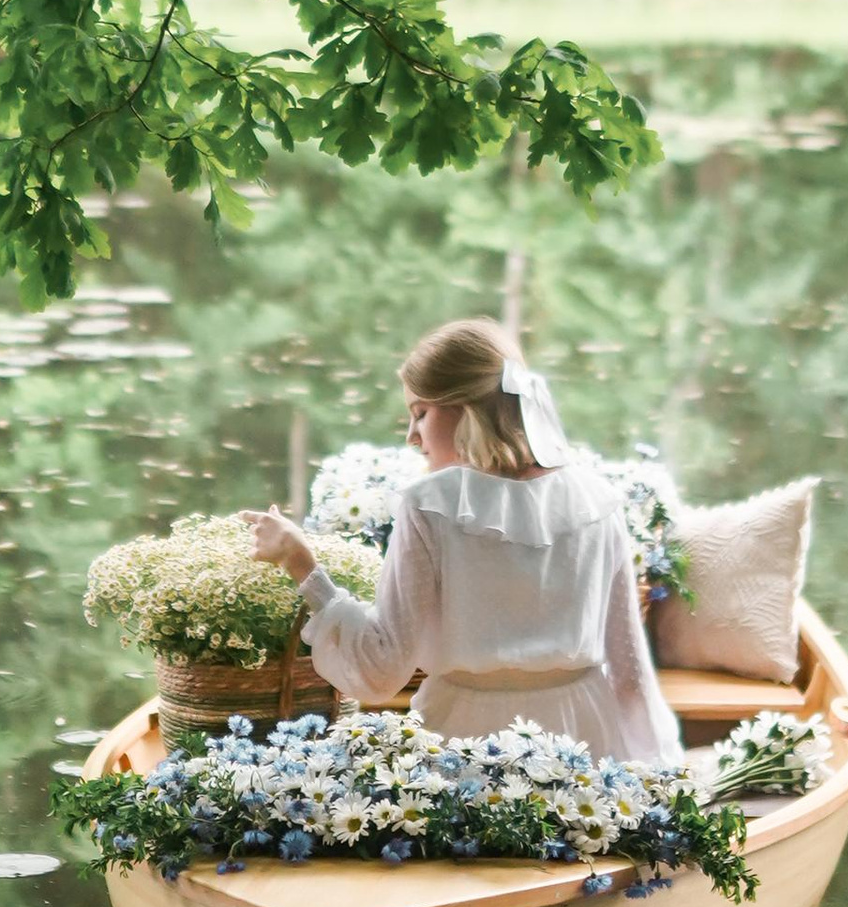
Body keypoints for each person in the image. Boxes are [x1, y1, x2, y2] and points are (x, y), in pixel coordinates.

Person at [246, 314, 679, 765]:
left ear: (465, 407)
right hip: (582, 741)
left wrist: (300, 561)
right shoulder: (598, 500)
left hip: (466, 739)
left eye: (420, 413)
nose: (412, 437)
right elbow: (630, 675)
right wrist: (656, 776)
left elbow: (382, 666)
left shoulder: (430, 504)